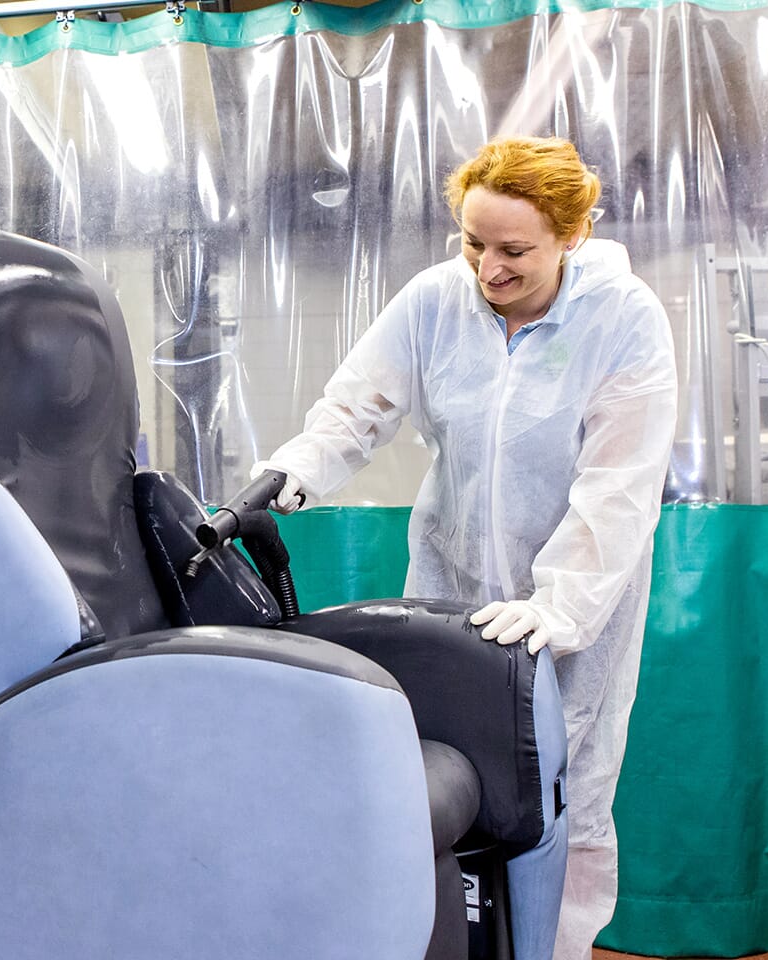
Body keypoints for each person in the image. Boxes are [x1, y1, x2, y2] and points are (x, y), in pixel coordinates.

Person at [253, 136, 677, 959]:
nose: (489, 268)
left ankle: (554, 949)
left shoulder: (623, 318)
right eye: (474, 242)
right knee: (438, 777)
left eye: (514, 250)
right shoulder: (435, 300)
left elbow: (619, 487)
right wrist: (294, 471)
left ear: (572, 235)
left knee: (566, 790)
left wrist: (558, 608)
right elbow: (358, 406)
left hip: (574, 607)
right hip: (448, 589)